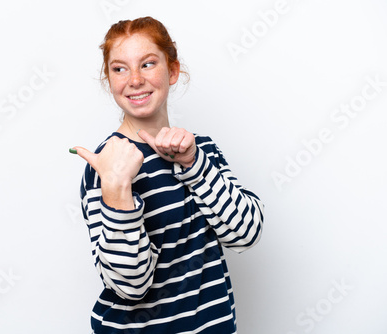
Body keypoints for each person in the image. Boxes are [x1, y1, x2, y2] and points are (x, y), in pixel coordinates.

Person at [70, 16, 264, 334]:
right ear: (108, 80)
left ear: (172, 71)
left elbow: (245, 234)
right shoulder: (106, 165)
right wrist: (117, 191)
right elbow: (130, 287)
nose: (134, 79)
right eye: (119, 68)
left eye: (147, 64)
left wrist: (193, 164)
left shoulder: (202, 149)